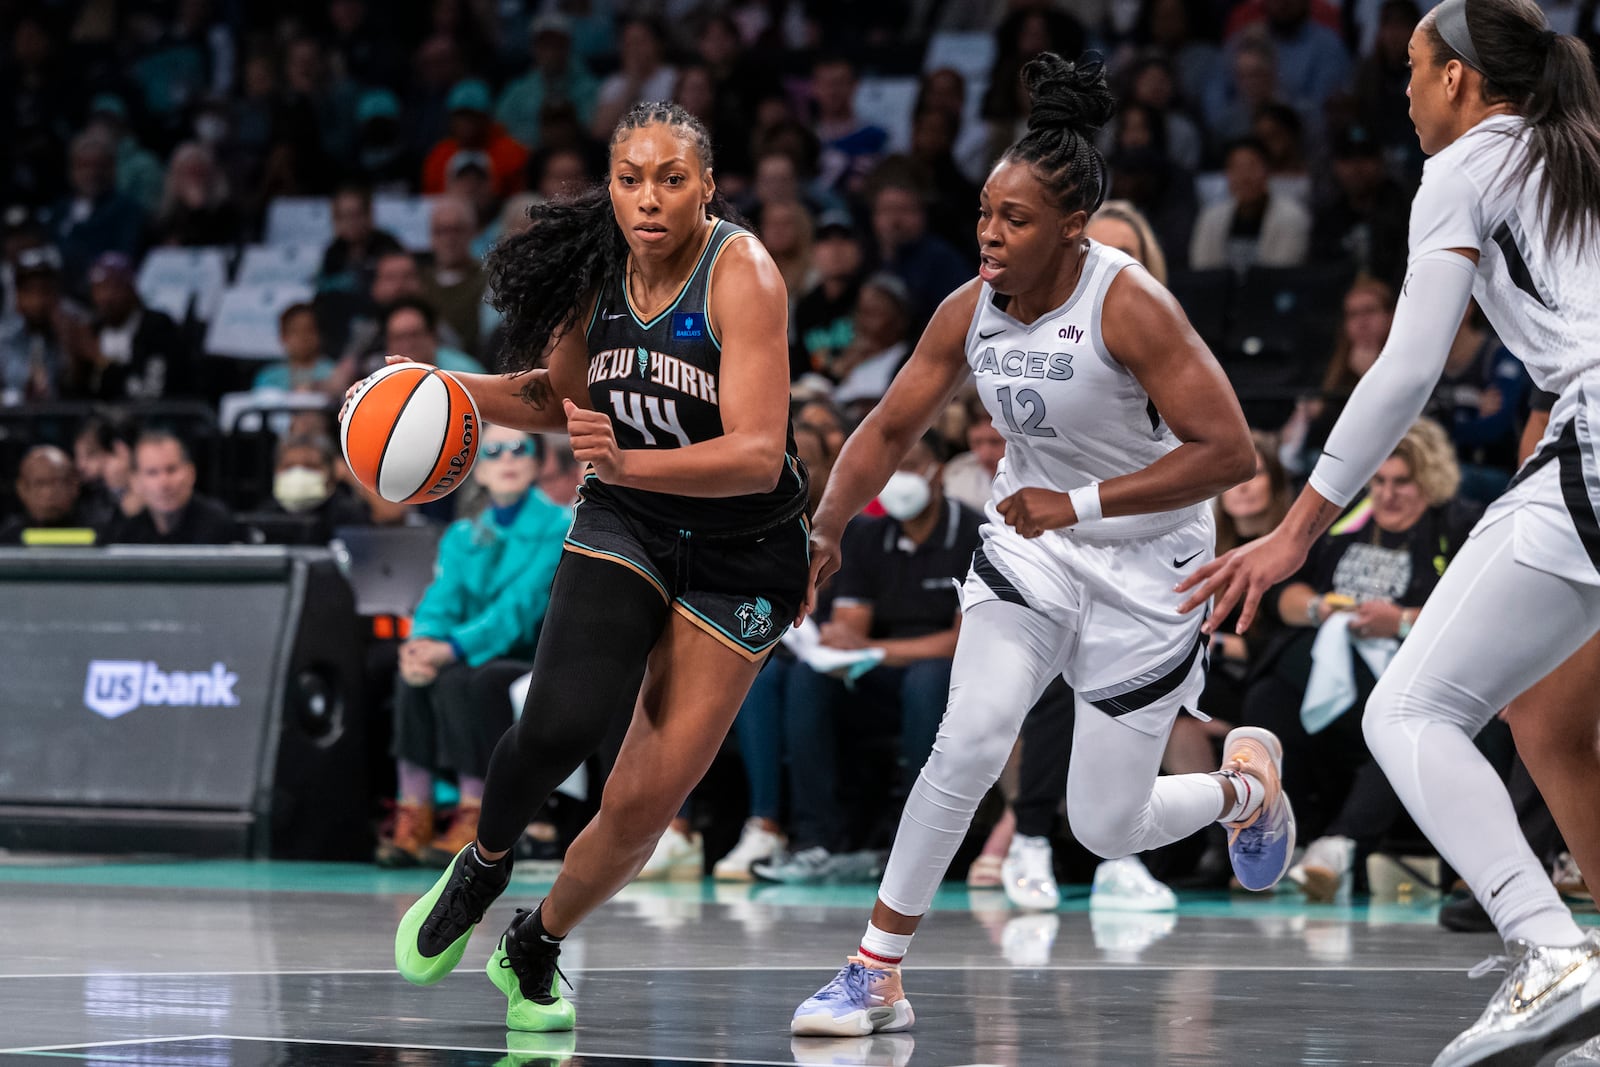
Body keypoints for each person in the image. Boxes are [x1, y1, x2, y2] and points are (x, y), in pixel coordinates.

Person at [787, 54, 1273, 1039]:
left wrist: (1083, 500)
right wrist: (826, 527)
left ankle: (1243, 789)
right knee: (965, 739)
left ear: (1071, 227)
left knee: (1104, 825)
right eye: (982, 213)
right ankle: (874, 970)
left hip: (1150, 563)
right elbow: (883, 428)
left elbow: (1227, 451)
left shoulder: (1129, 303)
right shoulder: (968, 308)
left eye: (1012, 219)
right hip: (1029, 544)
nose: (989, 235)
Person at [1177, 2, 1600, 1061]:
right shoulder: (1574, 153)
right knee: (1548, 724)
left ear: (1458, 78)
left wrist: (1293, 530)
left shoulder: (1468, 166)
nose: (1401, 92)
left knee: (1409, 707)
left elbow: (1406, 367)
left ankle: (1548, 949)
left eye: (1411, 70)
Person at [373, 100, 808, 1032]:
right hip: (631, 522)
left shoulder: (744, 276)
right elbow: (555, 394)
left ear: (707, 188)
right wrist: (442, 391)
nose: (649, 198)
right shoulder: (598, 273)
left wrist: (622, 461)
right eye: (630, 178)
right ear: (609, 187)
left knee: (643, 803)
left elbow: (758, 454)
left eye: (671, 178)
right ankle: (481, 866)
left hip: (744, 550)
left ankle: (537, 941)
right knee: (559, 719)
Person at [1242, 419, 1480, 902]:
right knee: (1268, 699)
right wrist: (1318, 607)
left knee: (1404, 725)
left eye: (1402, 483)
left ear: (1429, 481)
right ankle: (1272, 838)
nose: (1387, 495)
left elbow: (1477, 611)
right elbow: (1281, 593)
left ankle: (1339, 848)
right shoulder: (1344, 522)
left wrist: (1402, 621)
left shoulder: (1456, 526)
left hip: (1407, 671)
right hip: (1326, 661)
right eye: (1380, 481)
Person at [752, 431, 983, 884]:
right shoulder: (867, 533)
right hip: (882, 672)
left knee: (928, 678)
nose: (900, 478)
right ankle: (818, 840)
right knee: (807, 679)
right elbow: (848, 629)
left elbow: (960, 641)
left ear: (938, 473)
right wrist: (862, 648)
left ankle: (911, 847)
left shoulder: (972, 533)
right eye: (893, 466)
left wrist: (878, 650)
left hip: (949, 678)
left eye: (913, 465)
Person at [376, 424, 571, 869]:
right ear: (478, 470)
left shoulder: (560, 525)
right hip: (467, 649)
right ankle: (415, 812)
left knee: (462, 678)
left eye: (519, 448)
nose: (506, 459)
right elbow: (440, 601)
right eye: (494, 451)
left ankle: (474, 812)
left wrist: (453, 649)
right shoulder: (463, 536)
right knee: (412, 677)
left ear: (538, 463)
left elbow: (520, 608)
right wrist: (421, 643)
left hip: (530, 651)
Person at [105, 431, 240, 545]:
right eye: (152, 473)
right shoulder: (127, 531)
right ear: (136, 481)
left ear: (191, 473)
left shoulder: (218, 525)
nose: (164, 483)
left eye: (171, 470)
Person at [0, 445, 104, 545]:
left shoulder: (102, 532)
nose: (49, 493)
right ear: (22, 489)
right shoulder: (8, 538)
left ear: (74, 486)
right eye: (40, 483)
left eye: (57, 483)